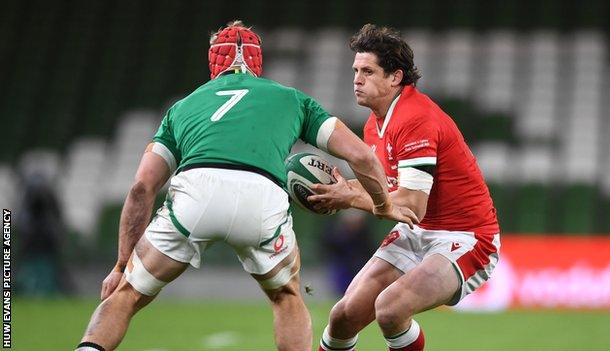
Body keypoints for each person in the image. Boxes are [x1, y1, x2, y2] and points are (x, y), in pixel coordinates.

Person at [75, 20, 417, 351]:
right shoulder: (291, 99)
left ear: (213, 61)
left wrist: (121, 265)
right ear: (257, 63)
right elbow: (363, 158)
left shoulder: (182, 107)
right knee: (287, 297)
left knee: (128, 293)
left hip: (196, 193)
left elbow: (141, 187)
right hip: (262, 196)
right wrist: (382, 205)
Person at [310, 24, 501, 351]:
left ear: (395, 77)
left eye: (368, 71)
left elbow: (411, 204)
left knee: (391, 308)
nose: (357, 79)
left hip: (466, 238)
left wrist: (349, 197)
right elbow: (387, 190)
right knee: (343, 316)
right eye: (356, 70)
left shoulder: (415, 117)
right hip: (416, 232)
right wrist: (345, 190)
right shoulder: (376, 122)